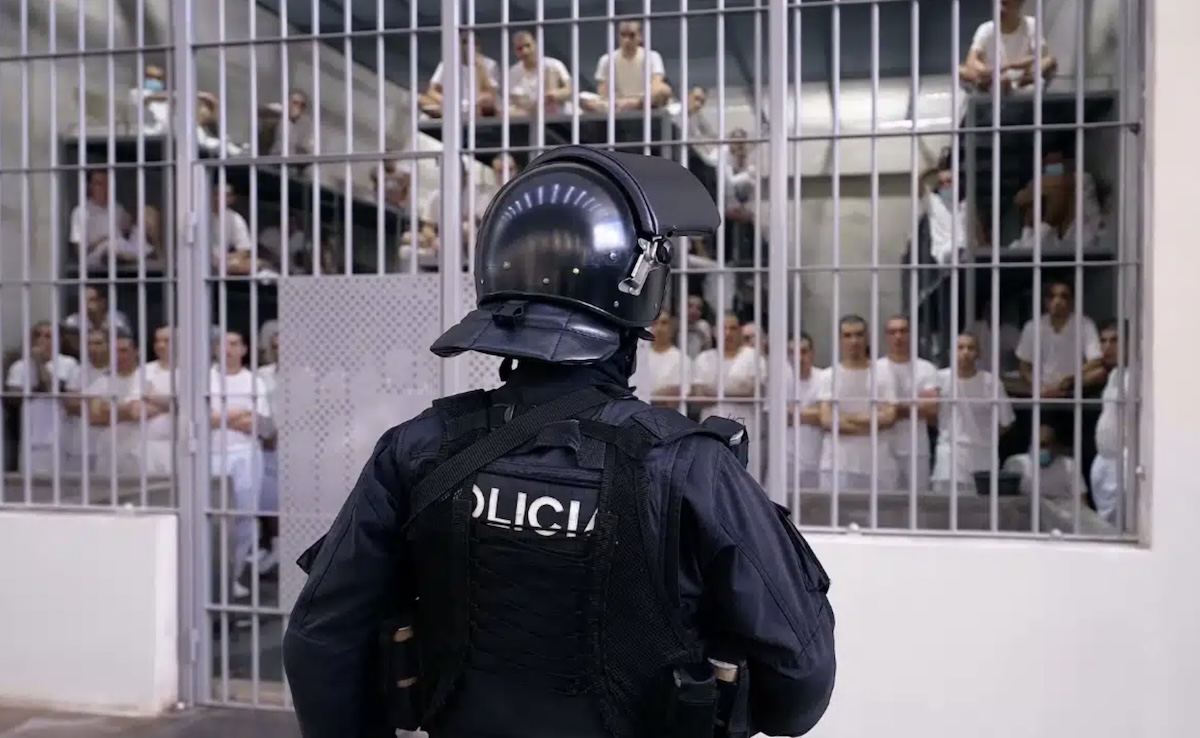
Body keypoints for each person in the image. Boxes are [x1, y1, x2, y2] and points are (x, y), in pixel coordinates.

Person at [283, 146, 836, 738]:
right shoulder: (687, 466)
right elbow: (799, 686)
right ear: (637, 298)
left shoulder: (417, 450)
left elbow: (320, 638)